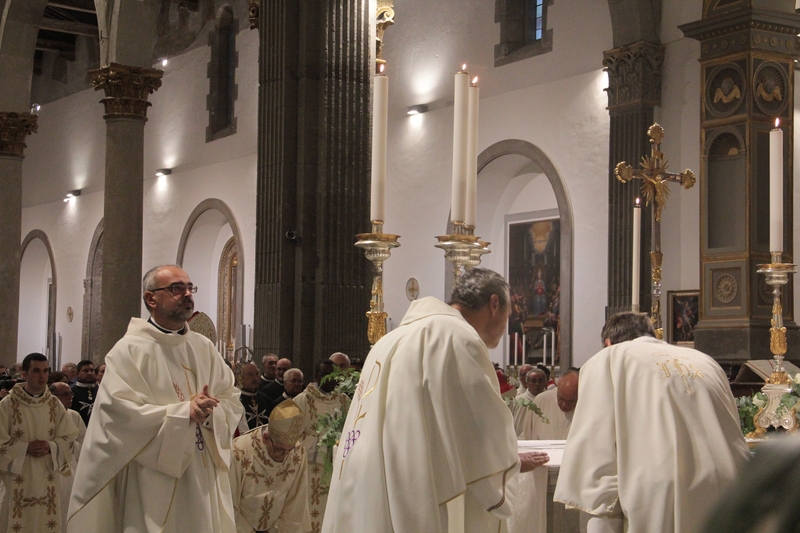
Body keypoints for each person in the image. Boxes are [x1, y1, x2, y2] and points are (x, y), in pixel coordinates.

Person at [322, 268, 548, 533]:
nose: (505, 325)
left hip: (364, 478)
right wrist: (512, 463)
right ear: (494, 304)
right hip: (409, 486)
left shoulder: (390, 340)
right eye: (508, 315)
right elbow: (478, 428)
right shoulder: (458, 338)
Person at [68, 265, 244, 533]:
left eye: (189, 287)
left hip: (201, 471)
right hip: (151, 479)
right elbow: (117, 417)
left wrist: (211, 413)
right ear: (151, 299)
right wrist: (184, 413)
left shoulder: (203, 347)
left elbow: (231, 398)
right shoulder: (129, 351)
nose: (187, 294)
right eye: (176, 288)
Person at [554, 312, 750, 533]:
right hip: (727, 483)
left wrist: (599, 499)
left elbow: (596, 443)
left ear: (608, 343)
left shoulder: (610, 358)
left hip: (661, 489)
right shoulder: (704, 360)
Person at [0, 353, 79, 533]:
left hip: (47, 474)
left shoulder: (54, 404)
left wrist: (51, 446)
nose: (42, 376)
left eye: (45, 371)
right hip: (18, 474)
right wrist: (24, 448)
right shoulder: (8, 404)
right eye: (36, 371)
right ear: (24, 374)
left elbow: (69, 436)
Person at [229, 400, 312, 533]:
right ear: (266, 438)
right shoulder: (239, 451)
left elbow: (296, 504)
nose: (285, 455)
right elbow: (229, 503)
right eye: (279, 449)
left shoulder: (297, 452)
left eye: (288, 450)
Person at [293, 360, 350, 533]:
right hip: (310, 469)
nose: (332, 380)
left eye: (334, 375)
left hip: (336, 467)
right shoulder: (302, 400)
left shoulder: (344, 401)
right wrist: (321, 446)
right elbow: (291, 436)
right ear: (317, 376)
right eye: (326, 375)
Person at [51, 382, 87, 529]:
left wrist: (68, 444)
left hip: (71, 466)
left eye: (70, 393)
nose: (70, 397)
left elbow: (84, 443)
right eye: (65, 394)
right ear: (53, 397)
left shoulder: (74, 415)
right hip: (51, 465)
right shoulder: (45, 415)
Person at [518, 370, 578, 440]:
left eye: (570, 401)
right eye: (561, 398)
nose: (564, 405)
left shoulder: (586, 407)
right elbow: (527, 434)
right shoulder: (541, 401)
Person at [238, 362, 273, 430]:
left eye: (257, 374)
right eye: (250, 375)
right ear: (240, 378)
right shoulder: (235, 399)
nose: (255, 378)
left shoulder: (266, 399)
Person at [71, 359, 98, 426]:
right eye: (85, 371)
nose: (89, 373)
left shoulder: (99, 390)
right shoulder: (71, 391)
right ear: (77, 373)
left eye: (92, 370)